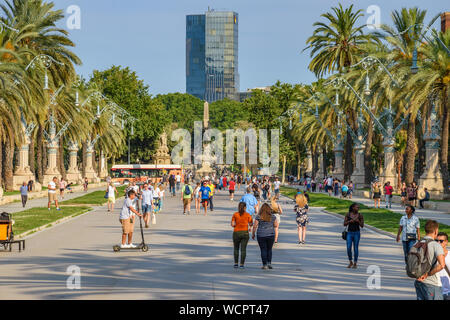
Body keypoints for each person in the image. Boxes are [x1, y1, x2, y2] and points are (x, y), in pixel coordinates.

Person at [413, 220, 445, 300]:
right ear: (436, 231)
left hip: (418, 282)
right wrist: (427, 274)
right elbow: (441, 265)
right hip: (432, 284)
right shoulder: (435, 245)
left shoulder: (417, 244)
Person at [252, 203, 278, 270]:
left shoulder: (259, 216)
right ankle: (269, 263)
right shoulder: (273, 216)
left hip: (261, 235)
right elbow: (275, 225)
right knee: (269, 249)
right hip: (271, 234)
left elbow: (255, 226)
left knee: (263, 249)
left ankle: (265, 264)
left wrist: (253, 234)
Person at [231, 202, 253, 269]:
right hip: (245, 233)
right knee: (243, 249)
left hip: (236, 232)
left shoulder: (235, 214)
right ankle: (242, 264)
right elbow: (251, 223)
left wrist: (236, 225)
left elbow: (232, 224)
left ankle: (236, 263)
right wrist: (249, 227)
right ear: (245, 207)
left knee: (236, 248)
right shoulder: (248, 215)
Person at [344, 203, 364, 269]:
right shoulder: (348, 214)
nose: (357, 209)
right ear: (352, 208)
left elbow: (362, 225)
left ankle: (355, 263)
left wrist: (358, 221)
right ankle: (350, 261)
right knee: (348, 248)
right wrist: (350, 221)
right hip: (349, 233)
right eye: (356, 207)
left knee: (356, 248)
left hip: (357, 233)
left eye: (358, 208)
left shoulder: (360, 215)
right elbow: (344, 224)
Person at [436, 232, 450, 300]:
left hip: (447, 292)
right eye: (436, 241)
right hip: (435, 291)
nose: (438, 243)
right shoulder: (433, 255)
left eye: (441, 241)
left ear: (446, 242)